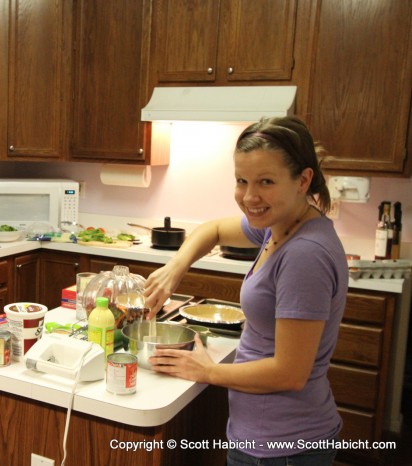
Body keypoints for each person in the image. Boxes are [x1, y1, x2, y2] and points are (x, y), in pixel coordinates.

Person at [143, 116, 348, 465]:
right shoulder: (281, 224)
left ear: (303, 180)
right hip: (264, 436)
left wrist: (207, 371)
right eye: (241, 181)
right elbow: (214, 230)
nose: (249, 196)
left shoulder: (304, 254)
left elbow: (290, 373)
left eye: (266, 181)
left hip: (284, 447)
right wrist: (175, 268)